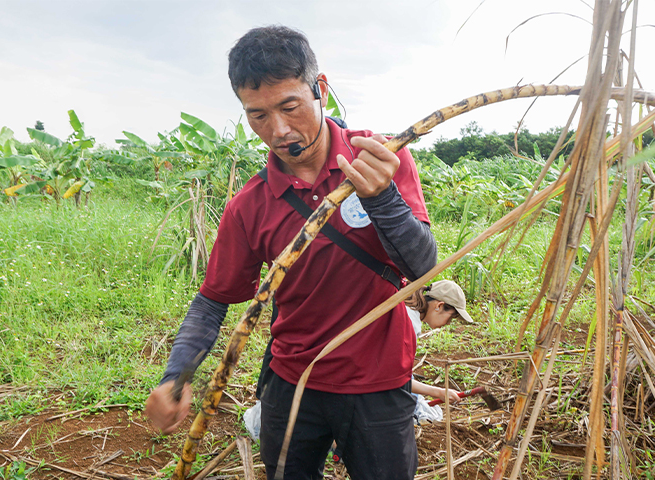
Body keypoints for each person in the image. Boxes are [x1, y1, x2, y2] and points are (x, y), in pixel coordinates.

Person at [144, 25, 437, 480]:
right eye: (257, 115)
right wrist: (176, 375)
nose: (278, 130)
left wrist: (382, 199)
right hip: (291, 381)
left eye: (289, 107)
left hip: (379, 382)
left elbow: (422, 266)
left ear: (320, 90)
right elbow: (212, 300)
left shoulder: (379, 157)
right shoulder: (250, 204)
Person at [406, 280, 473, 405]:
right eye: (451, 318)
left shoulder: (410, 313)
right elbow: (396, 379)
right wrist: (438, 392)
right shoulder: (409, 323)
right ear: (439, 306)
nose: (448, 324)